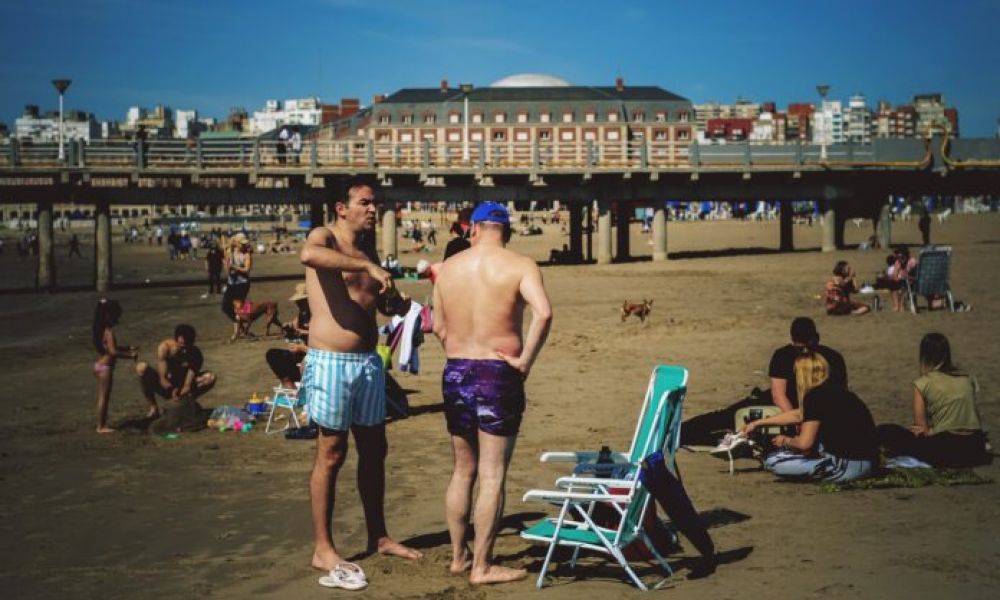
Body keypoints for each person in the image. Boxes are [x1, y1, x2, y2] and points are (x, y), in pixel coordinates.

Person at [298, 178, 422, 581]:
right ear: (341, 207)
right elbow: (309, 254)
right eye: (365, 203)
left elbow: (376, 303)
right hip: (332, 361)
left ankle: (379, 536)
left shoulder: (368, 248)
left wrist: (398, 305)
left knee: (374, 450)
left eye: (374, 203)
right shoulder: (326, 237)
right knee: (331, 453)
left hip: (369, 363)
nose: (373, 209)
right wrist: (366, 265)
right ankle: (323, 548)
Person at [432, 201, 553, 584]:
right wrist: (525, 361)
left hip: (455, 370)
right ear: (505, 230)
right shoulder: (520, 265)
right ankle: (482, 567)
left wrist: (459, 352)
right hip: (497, 372)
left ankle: (458, 557)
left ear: (474, 229)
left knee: (462, 469)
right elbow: (544, 313)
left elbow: (437, 326)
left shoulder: (448, 268)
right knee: (492, 473)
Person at [744, 348, 878, 482]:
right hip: (870, 465)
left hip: (845, 468)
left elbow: (804, 444)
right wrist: (757, 423)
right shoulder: (839, 392)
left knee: (773, 461)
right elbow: (799, 414)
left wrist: (785, 441)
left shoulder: (814, 396)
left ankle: (764, 456)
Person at [877, 333, 991, 467]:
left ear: (924, 355)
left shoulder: (923, 383)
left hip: (947, 448)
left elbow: (921, 429)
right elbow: (975, 417)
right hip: (975, 447)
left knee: (887, 431)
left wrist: (930, 430)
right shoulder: (967, 378)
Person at [135, 324, 215, 418]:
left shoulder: (195, 354)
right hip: (166, 385)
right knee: (141, 367)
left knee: (210, 377)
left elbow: (187, 385)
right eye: (181, 347)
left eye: (187, 347)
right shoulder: (165, 348)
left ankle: (184, 402)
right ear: (176, 340)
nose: (184, 350)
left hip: (181, 385)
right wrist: (172, 389)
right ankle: (154, 407)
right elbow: (162, 379)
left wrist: (180, 391)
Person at [92, 299, 138, 433]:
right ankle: (101, 426)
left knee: (102, 397)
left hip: (99, 365)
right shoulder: (109, 331)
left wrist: (127, 348)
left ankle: (101, 424)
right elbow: (113, 352)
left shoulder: (99, 330)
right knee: (104, 398)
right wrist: (130, 356)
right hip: (106, 368)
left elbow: (108, 348)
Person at [266, 283, 311, 388]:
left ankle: (298, 384)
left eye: (302, 301)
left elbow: (320, 337)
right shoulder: (301, 314)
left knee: (302, 360)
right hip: (299, 352)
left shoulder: (318, 314)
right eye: (298, 301)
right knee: (272, 354)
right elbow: (294, 327)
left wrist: (302, 346)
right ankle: (287, 382)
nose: (298, 304)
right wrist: (289, 327)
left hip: (310, 353)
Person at [222, 233, 253, 336]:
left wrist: (235, 267)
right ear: (236, 243)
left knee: (240, 307)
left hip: (242, 284)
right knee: (225, 306)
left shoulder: (246, 254)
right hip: (231, 283)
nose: (243, 245)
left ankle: (238, 331)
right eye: (241, 243)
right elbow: (227, 271)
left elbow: (247, 270)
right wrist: (227, 264)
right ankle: (240, 325)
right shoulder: (229, 252)